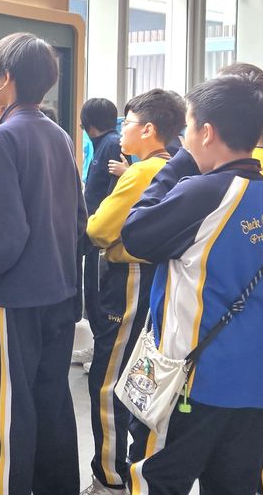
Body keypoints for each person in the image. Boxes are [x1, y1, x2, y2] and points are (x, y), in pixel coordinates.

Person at [119, 75, 263, 495]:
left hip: (192, 382)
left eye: (188, 128)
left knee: (157, 480)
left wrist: (177, 163)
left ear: (207, 132)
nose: (185, 139)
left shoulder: (205, 192)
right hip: (255, 383)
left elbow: (135, 233)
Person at [0, 32, 86, 495]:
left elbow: (8, 233)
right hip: (61, 291)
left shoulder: (2, 139)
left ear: (7, 78)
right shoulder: (59, 135)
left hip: (16, 296)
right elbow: (79, 220)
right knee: (52, 401)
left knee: (9, 409)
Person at [82, 89, 186, 494]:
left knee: (108, 381)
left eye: (127, 123)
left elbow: (98, 229)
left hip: (130, 278)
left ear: (148, 130)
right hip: (162, 278)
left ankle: (109, 477)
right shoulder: (179, 166)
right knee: (146, 375)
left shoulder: (141, 172)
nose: (121, 130)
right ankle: (140, 466)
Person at [75, 97, 125, 369]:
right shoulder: (104, 144)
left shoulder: (112, 145)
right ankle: (97, 346)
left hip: (102, 237)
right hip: (94, 234)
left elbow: (112, 193)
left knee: (97, 294)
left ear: (87, 123)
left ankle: (102, 352)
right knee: (92, 293)